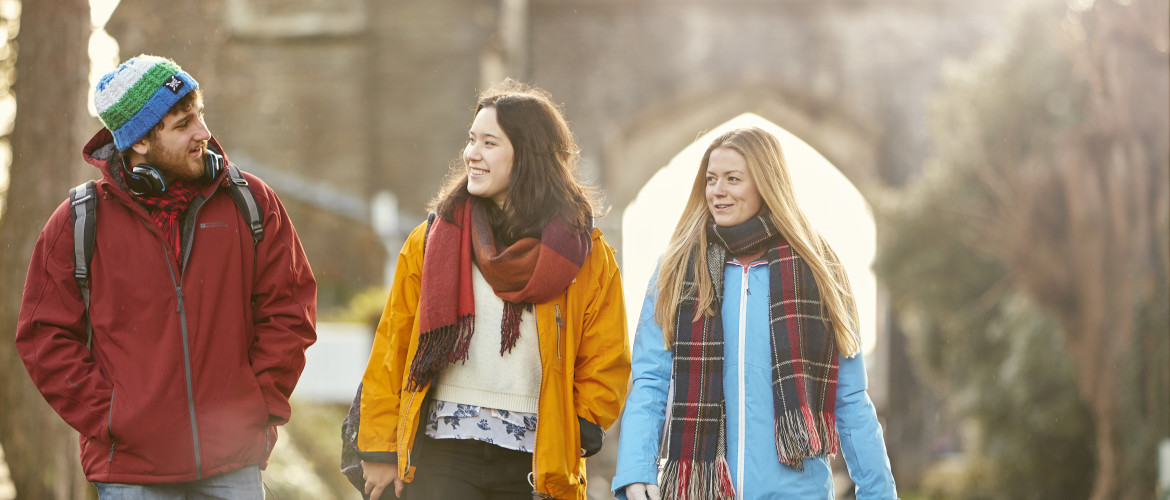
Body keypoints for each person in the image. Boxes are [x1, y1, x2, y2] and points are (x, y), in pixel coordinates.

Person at [15, 54, 317, 498]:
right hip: (132, 474)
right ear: (138, 141)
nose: (204, 133)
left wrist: (254, 407)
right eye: (182, 125)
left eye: (199, 115)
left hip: (232, 464)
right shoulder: (79, 221)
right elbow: (44, 336)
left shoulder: (250, 203)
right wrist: (113, 418)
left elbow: (290, 311)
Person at [356, 79, 631, 500]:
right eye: (471, 140)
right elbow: (392, 349)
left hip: (536, 460)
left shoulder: (587, 255)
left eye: (489, 142)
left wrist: (581, 425)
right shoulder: (431, 241)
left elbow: (607, 355)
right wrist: (379, 446)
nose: (471, 154)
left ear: (529, 155)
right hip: (442, 452)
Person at [612, 127, 899, 499]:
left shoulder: (819, 270)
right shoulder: (676, 270)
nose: (718, 190)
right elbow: (650, 380)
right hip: (702, 491)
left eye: (733, 179)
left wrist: (879, 493)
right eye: (711, 179)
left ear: (766, 183)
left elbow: (850, 399)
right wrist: (636, 470)